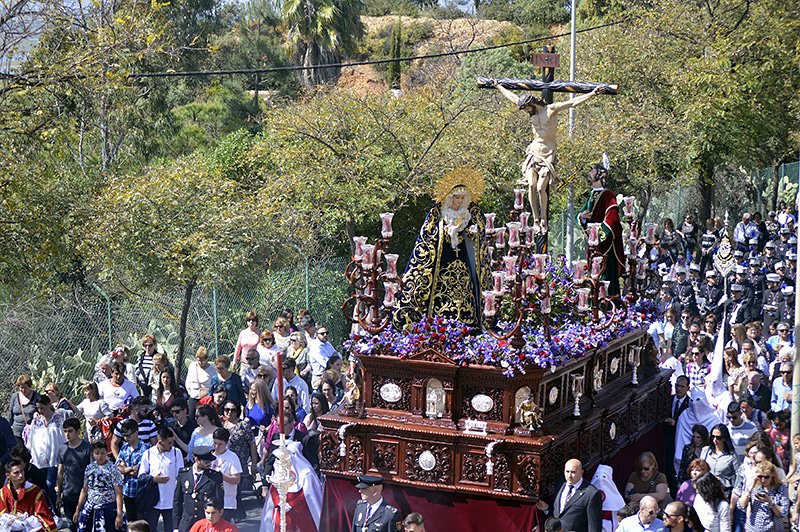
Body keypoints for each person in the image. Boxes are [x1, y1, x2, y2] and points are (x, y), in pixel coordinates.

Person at [493, 80, 604, 234]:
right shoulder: (532, 112)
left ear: (532, 103)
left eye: (526, 109)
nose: (526, 112)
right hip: (533, 152)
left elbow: (572, 102)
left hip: (547, 154)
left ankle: (544, 218)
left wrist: (592, 93)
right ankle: (536, 219)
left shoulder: (551, 110)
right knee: (531, 185)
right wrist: (499, 86)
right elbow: (513, 98)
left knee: (540, 188)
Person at [392, 169, 491, 328]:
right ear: (449, 198)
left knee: (466, 291)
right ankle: (439, 321)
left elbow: (479, 239)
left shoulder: (468, 216)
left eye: (462, 198)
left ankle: (469, 321)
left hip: (464, 266)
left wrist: (472, 233)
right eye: (456, 198)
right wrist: (446, 231)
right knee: (441, 293)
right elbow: (428, 237)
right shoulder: (438, 215)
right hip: (442, 266)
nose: (459, 201)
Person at [577, 160, 626, 296]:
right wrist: (582, 216)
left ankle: (608, 305)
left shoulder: (608, 195)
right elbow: (582, 214)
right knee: (593, 275)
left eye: (593, 171)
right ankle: (594, 304)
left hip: (605, 245)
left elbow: (613, 219)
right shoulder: (592, 194)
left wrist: (599, 235)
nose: (589, 173)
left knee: (605, 275)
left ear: (600, 175)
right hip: (594, 244)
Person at [259, 440, 323, 532]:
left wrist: (291, 504)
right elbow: (273, 493)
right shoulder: (279, 473)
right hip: (280, 516)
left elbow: (310, 497)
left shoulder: (306, 475)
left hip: (301, 517)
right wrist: (279, 503)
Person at [22, 394, 67, 502]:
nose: (40, 410)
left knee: (50, 484)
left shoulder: (58, 420)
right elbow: (32, 439)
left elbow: (63, 438)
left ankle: (56, 510)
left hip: (54, 458)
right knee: (40, 486)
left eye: (42, 407)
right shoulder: (36, 421)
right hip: (39, 459)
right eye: (38, 408)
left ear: (48, 405)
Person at [537, 458, 602, 531]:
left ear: (581, 472)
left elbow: (594, 526)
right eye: (567, 471)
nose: (569, 475)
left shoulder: (591, 494)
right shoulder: (560, 484)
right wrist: (547, 508)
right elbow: (560, 513)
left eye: (573, 472)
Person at [139, 426, 183, 532]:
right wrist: (154, 479)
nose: (171, 445)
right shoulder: (148, 453)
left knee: (171, 528)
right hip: (154, 500)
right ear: (160, 442)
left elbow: (181, 474)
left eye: (172, 442)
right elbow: (141, 476)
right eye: (168, 443)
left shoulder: (177, 453)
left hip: (171, 499)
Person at [75, 440, 125, 532]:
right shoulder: (89, 468)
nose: (100, 456)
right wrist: (78, 509)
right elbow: (84, 490)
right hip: (90, 508)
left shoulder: (113, 469)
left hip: (108, 509)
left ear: (106, 452)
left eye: (102, 453)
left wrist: (119, 514)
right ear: (93, 454)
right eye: (97, 453)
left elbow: (118, 493)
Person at [173, 446, 224, 532]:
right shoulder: (183, 474)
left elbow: (219, 502)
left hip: (205, 524)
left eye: (210, 461)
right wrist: (176, 527)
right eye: (206, 462)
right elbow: (177, 501)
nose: (209, 464)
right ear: (197, 460)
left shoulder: (214, 477)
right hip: (186, 524)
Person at [0, 458, 57, 532]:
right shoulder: (4, 492)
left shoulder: (34, 491)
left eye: (22, 471)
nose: (20, 475)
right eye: (16, 473)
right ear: (8, 475)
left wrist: (24, 522)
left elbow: (43, 516)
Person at [56, 417, 91, 531]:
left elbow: (92, 472)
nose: (67, 434)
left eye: (70, 431)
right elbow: (60, 473)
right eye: (65, 431)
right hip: (68, 494)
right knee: (71, 525)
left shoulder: (87, 448)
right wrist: (59, 495)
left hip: (84, 494)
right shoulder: (62, 449)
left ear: (77, 431)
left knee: (85, 525)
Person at [738, 461, 789, 532]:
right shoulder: (754, 487)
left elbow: (783, 513)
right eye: (760, 476)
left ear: (772, 476)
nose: (763, 480)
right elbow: (741, 505)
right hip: (753, 528)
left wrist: (770, 502)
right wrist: (750, 488)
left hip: (772, 529)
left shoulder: (781, 489)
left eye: (766, 477)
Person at [210, 428, 242, 522]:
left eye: (220, 444)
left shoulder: (232, 457)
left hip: (227, 502)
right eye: (215, 443)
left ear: (226, 443)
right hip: (211, 501)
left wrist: (221, 476)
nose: (216, 446)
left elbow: (236, 480)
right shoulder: (209, 455)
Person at [700, 425, 739, 496]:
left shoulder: (732, 455)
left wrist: (724, 482)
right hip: (706, 490)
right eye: (713, 437)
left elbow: (737, 475)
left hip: (723, 492)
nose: (715, 440)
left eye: (718, 437)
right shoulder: (706, 451)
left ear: (724, 438)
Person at [185, 347, 217, 417]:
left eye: (202, 361)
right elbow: (188, 381)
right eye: (198, 360)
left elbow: (215, 384)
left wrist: (208, 392)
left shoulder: (212, 369)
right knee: (192, 416)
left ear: (207, 359)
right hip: (194, 395)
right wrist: (190, 392)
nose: (200, 363)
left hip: (206, 397)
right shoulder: (192, 366)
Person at [8, 374, 40, 445]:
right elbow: (10, 415)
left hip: (31, 433)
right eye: (21, 388)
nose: (23, 390)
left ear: (30, 386)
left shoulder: (37, 397)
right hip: (16, 434)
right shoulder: (14, 397)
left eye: (25, 388)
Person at [135, 335, 158, 399]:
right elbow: (136, 372)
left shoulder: (158, 357)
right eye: (145, 345)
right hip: (141, 386)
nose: (147, 347)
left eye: (150, 345)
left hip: (153, 387)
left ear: (154, 345)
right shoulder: (140, 357)